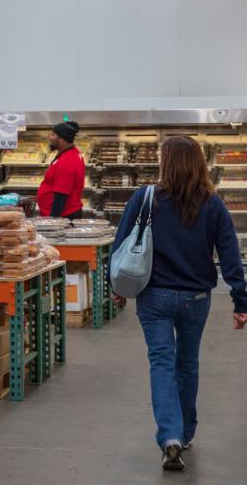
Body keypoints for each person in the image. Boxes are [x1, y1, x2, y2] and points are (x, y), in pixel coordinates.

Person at [112, 136, 247, 471]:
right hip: (196, 298)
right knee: (187, 365)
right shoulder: (213, 204)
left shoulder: (145, 198)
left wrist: (115, 287)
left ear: (165, 162)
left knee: (161, 364)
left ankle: (169, 435)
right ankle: (185, 434)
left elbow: (121, 246)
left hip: (153, 296)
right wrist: (240, 299)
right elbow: (230, 254)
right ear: (199, 163)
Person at [37, 120, 86, 218]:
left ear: (62, 138)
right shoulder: (70, 153)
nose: (50, 138)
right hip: (65, 213)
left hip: (64, 216)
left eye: (53, 135)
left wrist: (53, 220)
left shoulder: (67, 161)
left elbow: (61, 195)